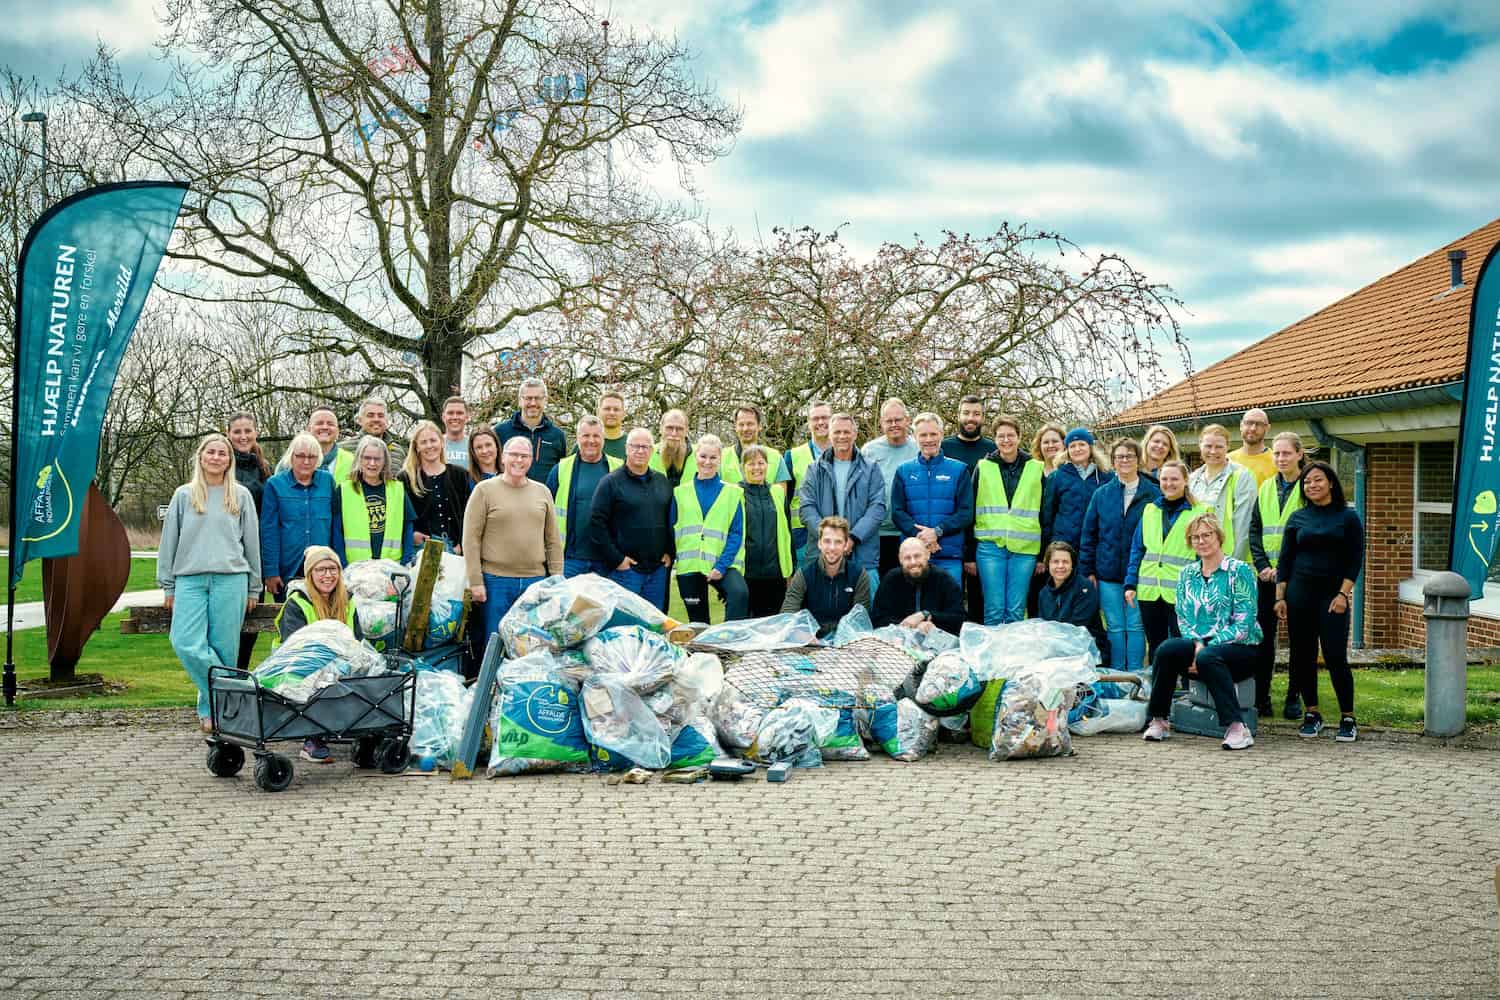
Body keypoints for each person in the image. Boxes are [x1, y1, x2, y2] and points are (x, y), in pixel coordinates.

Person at [158, 434, 261, 735]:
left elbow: (252, 544)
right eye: (211, 452)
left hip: (231, 580)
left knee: (223, 650)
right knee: (185, 642)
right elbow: (168, 543)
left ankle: (213, 713)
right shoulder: (184, 495)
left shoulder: (240, 496)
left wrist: (254, 587)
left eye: (222, 453)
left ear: (229, 460)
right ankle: (238, 692)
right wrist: (168, 586)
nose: (216, 457)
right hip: (190, 580)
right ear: (201, 456)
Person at [1141, 512, 1261, 751]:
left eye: (1207, 535)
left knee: (1208, 656)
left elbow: (1244, 622)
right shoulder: (1187, 574)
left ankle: (1237, 728)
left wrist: (1207, 646)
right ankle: (1159, 719)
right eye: (1195, 537)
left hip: (1241, 648)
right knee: (1166, 649)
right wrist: (1197, 644)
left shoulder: (1239, 571)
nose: (1201, 541)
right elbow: (1183, 618)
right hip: (1201, 647)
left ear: (1219, 537)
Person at [1276, 461, 1364, 743]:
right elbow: (1285, 560)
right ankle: (1312, 713)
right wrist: (1280, 597)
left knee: (1336, 656)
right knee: (1302, 656)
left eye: (1317, 480)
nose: (1312, 485)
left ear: (1331, 483)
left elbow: (1355, 559)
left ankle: (1348, 717)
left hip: (1332, 598)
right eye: (1307, 482)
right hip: (1299, 596)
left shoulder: (1348, 517)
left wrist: (1343, 594)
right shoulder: (1297, 518)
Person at [464, 436, 564, 640]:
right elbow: (471, 539)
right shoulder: (484, 491)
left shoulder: (542, 492)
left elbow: (553, 540)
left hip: (535, 582)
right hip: (495, 582)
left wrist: (557, 579)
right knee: (495, 642)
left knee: (530, 643)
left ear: (531, 460)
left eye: (524, 456)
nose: (519, 460)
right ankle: (491, 674)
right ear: (503, 458)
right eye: (514, 455)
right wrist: (475, 581)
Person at [1080, 438, 1160, 673]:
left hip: (1140, 574)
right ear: (1113, 461)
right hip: (1108, 573)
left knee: (1135, 626)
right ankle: (1117, 675)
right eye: (1119, 457)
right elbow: (1089, 534)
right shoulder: (1101, 494)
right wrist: (1088, 571)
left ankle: (1135, 675)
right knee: (1114, 626)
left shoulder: (1152, 494)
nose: (1124, 461)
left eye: (1129, 456)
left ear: (1139, 460)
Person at [275, 545, 361, 763]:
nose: (328, 575)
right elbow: (294, 645)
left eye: (333, 569)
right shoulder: (297, 603)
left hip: (341, 661)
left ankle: (364, 733)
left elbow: (357, 639)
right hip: (299, 665)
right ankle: (313, 738)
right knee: (318, 679)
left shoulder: (348, 600)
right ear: (310, 574)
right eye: (321, 569)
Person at [1124, 459, 1210, 661]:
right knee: (1156, 645)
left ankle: (1189, 689)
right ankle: (1159, 688)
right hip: (1150, 589)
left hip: (1184, 590)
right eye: (1164, 479)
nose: (1169, 483)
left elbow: (1206, 553)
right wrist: (1130, 583)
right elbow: (1137, 548)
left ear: (1185, 481)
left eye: (1174, 479)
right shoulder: (1150, 510)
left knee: (1186, 643)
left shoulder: (1201, 512)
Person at [1248, 430, 1307, 719]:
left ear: (1299, 454)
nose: (1281, 458)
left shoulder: (1309, 487)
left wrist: (1285, 570)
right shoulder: (1267, 487)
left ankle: (1294, 697)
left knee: (1298, 640)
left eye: (1286, 453)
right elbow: (1255, 530)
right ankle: (1261, 698)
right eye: (1277, 453)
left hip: (1298, 578)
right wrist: (1261, 566)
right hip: (1267, 578)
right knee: (1262, 638)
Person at [797, 413, 886, 601]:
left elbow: (877, 508)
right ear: (830, 435)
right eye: (837, 432)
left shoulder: (871, 468)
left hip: (862, 554)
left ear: (855, 434)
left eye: (847, 432)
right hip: (823, 554)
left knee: (867, 616)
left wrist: (852, 538)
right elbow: (807, 508)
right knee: (822, 615)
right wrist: (829, 539)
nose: (842, 436)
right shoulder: (814, 469)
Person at [967, 414, 1045, 625]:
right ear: (994, 439)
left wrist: (1042, 554)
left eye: (1011, 435)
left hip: (1025, 549)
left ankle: (1011, 656)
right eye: (1001, 436)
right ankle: (994, 657)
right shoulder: (983, 467)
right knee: (994, 609)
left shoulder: (1036, 468)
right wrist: (969, 554)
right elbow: (970, 511)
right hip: (990, 547)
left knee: (1015, 610)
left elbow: (1044, 513)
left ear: (1019, 437)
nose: (1006, 440)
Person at [591, 427, 675, 611]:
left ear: (652, 451)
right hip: (626, 572)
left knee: (655, 626)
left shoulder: (662, 483)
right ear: (627, 449)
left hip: (657, 571)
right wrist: (617, 559)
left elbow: (671, 521)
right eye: (635, 446)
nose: (640, 451)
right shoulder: (610, 483)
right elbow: (597, 524)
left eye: (645, 447)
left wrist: (670, 552)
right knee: (625, 626)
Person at [671, 435, 749, 622]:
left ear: (720, 459)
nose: (707, 462)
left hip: (722, 564)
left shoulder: (733, 493)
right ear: (696, 457)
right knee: (699, 624)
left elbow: (736, 533)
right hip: (690, 567)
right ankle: (702, 651)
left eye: (713, 458)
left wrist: (721, 566)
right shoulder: (679, 492)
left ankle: (729, 646)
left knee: (739, 593)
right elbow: (670, 529)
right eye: (703, 456)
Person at [890, 412, 972, 584]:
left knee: (949, 609)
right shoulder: (903, 471)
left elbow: (966, 513)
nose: (929, 439)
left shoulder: (959, 470)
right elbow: (897, 513)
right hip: (913, 558)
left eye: (933, 434)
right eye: (923, 435)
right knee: (914, 610)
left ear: (942, 435)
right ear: (914, 437)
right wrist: (922, 537)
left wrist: (937, 532)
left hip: (948, 556)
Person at [260, 433, 337, 603]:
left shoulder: (327, 482)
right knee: (291, 622)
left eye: (311, 457)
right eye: (301, 456)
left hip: (324, 569)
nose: (306, 461)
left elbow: (336, 526)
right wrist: (271, 571)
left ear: (318, 459)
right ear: (291, 457)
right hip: (288, 569)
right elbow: (269, 531)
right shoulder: (275, 485)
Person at [546, 415, 621, 577]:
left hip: (608, 561)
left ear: (603, 438)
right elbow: (544, 514)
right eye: (586, 435)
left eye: (596, 436)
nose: (591, 440)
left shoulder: (619, 469)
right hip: (570, 560)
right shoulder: (560, 469)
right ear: (578, 438)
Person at [942, 394, 994, 623]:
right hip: (950, 532)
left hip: (981, 533)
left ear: (983, 417)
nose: (970, 418)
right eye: (966, 413)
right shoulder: (945, 447)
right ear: (958, 415)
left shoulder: (992, 450)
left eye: (976, 414)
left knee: (978, 599)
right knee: (949, 598)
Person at [228, 411, 271, 670]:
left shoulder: (264, 468)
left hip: (256, 555)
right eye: (237, 432)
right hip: (229, 554)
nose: (243, 436)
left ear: (255, 433)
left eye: (248, 431)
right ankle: (223, 679)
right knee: (228, 623)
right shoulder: (222, 466)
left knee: (251, 620)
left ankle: (241, 674)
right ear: (228, 434)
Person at [332, 435, 416, 565]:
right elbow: (337, 531)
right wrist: (343, 564)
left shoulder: (397, 489)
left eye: (377, 459)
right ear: (359, 459)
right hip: (355, 566)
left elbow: (408, 528)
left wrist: (406, 561)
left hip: (391, 565)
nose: (372, 463)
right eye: (367, 458)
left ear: (385, 462)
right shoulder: (344, 490)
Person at [780, 516, 871, 636]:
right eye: (827, 541)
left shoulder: (859, 575)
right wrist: (804, 637)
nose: (832, 548)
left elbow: (860, 620)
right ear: (819, 544)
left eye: (838, 542)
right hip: (810, 641)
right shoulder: (803, 574)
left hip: (846, 641)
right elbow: (787, 615)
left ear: (845, 545)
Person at [863, 398, 921, 579]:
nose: (894, 425)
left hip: (911, 533)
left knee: (909, 585)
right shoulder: (869, 451)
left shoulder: (919, 448)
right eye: (889, 421)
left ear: (908, 420)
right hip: (877, 534)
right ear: (881, 424)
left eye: (898, 420)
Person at [399, 420, 472, 553]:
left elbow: (469, 514)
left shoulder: (460, 475)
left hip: (455, 549)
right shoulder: (405, 478)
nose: (429, 446)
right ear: (416, 447)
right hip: (421, 550)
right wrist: (411, 535)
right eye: (423, 442)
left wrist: (461, 543)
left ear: (442, 442)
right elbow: (398, 517)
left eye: (433, 440)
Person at [1189, 423, 1257, 561]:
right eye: (1208, 446)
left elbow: (1244, 526)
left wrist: (1232, 565)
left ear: (1227, 447)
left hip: (1226, 558)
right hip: (1196, 559)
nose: (1213, 451)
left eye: (1219, 447)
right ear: (1200, 446)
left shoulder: (1242, 476)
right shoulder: (1192, 479)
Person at [740, 445, 793, 617]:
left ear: (767, 466)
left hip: (775, 573)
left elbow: (787, 533)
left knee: (773, 626)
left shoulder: (777, 493)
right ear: (743, 467)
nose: (757, 468)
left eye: (761, 463)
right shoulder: (735, 493)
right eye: (751, 464)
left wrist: (790, 570)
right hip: (747, 573)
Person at [871, 536, 965, 635]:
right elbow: (878, 620)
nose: (913, 562)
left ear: (927, 555)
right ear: (900, 560)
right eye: (907, 558)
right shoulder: (891, 579)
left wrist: (926, 616)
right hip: (899, 642)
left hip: (937, 642)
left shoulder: (943, 579)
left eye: (917, 556)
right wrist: (910, 626)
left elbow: (959, 619)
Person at [1036, 541, 1109, 665]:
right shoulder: (1044, 593)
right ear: (1048, 564)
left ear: (1072, 565)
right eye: (1055, 561)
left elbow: (1078, 628)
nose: (1060, 566)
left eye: (1065, 562)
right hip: (1056, 650)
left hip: (1086, 652)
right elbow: (1044, 627)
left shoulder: (1084, 587)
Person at [1041, 427, 1108, 554]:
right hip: (1063, 545)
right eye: (1072, 446)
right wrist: (1044, 552)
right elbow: (1047, 517)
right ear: (1067, 450)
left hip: (1095, 545)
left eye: (1082, 444)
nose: (1077, 449)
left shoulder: (1106, 477)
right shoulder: (1057, 477)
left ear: (1090, 447)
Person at [781, 399, 833, 558]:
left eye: (825, 417)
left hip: (838, 534)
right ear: (809, 423)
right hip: (802, 535)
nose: (821, 422)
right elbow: (785, 501)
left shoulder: (848, 453)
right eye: (815, 419)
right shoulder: (792, 456)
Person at [493, 378, 568, 484]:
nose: (533, 403)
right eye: (528, 398)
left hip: (544, 498)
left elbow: (562, 472)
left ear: (545, 400)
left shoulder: (557, 435)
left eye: (537, 398)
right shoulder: (500, 432)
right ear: (520, 401)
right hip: (509, 497)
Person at [277, 405, 350, 479]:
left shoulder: (352, 461)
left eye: (330, 424)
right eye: (319, 423)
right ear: (309, 429)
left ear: (337, 431)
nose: (325, 427)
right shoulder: (288, 463)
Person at [339, 397, 407, 471]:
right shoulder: (343, 449)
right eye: (370, 415)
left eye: (380, 416)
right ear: (360, 420)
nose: (376, 419)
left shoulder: (398, 452)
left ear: (387, 420)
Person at [726, 404, 780, 485]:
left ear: (759, 426)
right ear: (735, 427)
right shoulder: (721, 457)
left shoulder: (776, 457)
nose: (745, 429)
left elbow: (781, 495)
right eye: (741, 424)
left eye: (750, 424)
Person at [1228, 408, 1276, 486]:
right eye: (1249, 423)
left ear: (1267, 428)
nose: (1253, 428)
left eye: (1259, 424)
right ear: (1241, 425)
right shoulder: (1228, 461)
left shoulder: (1277, 461)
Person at [648, 408, 693, 489]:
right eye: (669, 428)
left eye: (679, 429)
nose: (674, 433)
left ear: (686, 431)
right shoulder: (647, 453)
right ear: (661, 429)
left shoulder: (701, 455)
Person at [598, 390, 628, 462]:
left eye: (616, 409)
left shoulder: (633, 445)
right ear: (598, 412)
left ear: (624, 414)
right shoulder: (585, 443)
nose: (611, 413)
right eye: (607, 409)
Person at [440, 396, 470, 468]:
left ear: (467, 417)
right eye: (450, 413)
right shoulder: (435, 445)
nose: (455, 417)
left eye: (459, 413)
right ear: (443, 417)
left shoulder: (474, 445)